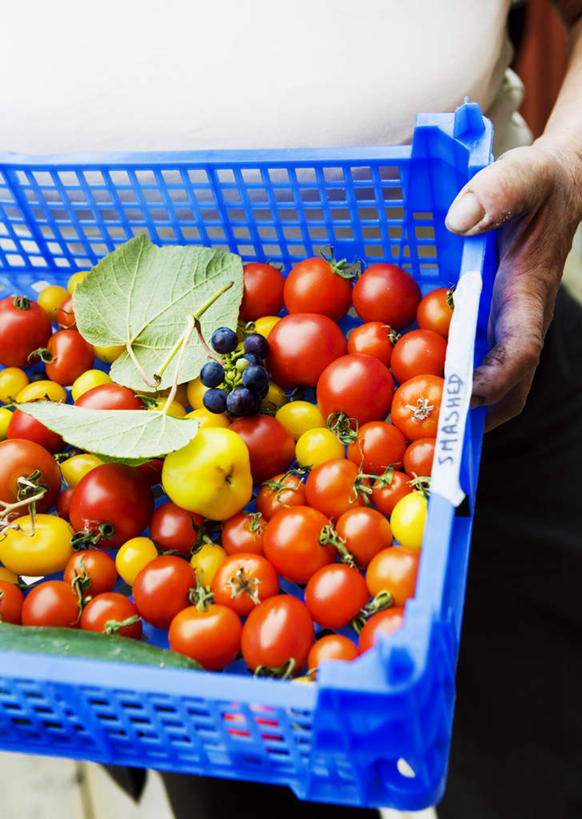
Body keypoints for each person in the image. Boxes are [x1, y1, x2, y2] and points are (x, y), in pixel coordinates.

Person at [1, 1, 581, 816]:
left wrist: (569, 161)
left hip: (470, 346)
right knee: (234, 779)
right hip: (124, 398)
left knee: (538, 763)